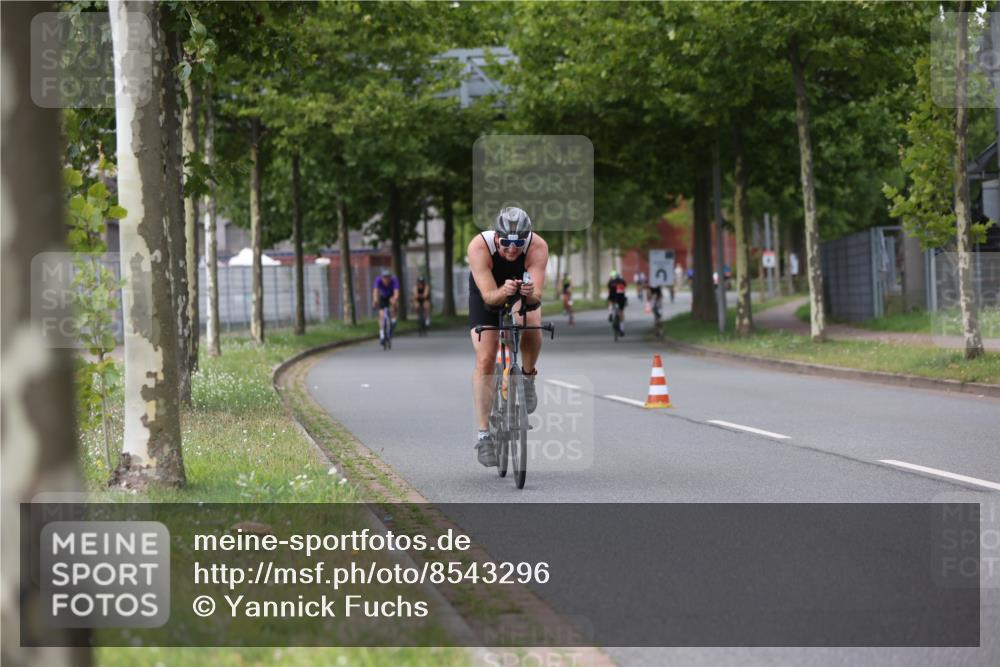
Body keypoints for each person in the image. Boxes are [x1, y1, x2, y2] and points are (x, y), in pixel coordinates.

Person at [468, 206, 549, 467]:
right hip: (488, 292)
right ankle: (483, 435)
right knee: (486, 359)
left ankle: (526, 377)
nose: (512, 250)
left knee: (532, 321)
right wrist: (504, 289)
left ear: (526, 238)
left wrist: (528, 292)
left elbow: (537, 297)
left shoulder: (537, 246)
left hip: (520, 291)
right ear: (496, 237)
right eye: (506, 243)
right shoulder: (480, 246)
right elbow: (491, 298)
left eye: (518, 243)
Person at [371, 268, 399, 344]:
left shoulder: (394, 280)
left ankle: (393, 320)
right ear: (382, 277)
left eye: (388, 277)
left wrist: (395, 299)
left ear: (390, 277)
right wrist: (375, 300)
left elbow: (396, 293)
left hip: (391, 296)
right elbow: (375, 291)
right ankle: (382, 335)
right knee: (382, 316)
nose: (386, 279)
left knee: (394, 304)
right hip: (383, 296)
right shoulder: (378, 280)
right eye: (384, 277)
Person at [607, 270, 628, 335]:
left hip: (613, 295)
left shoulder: (610, 281)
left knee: (610, 301)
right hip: (620, 296)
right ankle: (622, 329)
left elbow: (609, 290)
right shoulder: (622, 281)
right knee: (621, 311)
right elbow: (624, 289)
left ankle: (610, 313)